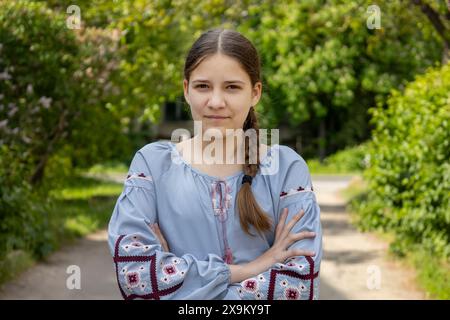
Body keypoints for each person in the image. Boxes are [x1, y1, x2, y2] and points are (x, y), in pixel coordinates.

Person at [108, 28, 322, 300]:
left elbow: (297, 284)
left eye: (232, 87)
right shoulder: (151, 166)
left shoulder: (287, 169)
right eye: (203, 86)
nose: (216, 102)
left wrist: (179, 278)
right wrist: (251, 268)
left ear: (255, 93)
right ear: (186, 90)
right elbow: (135, 275)